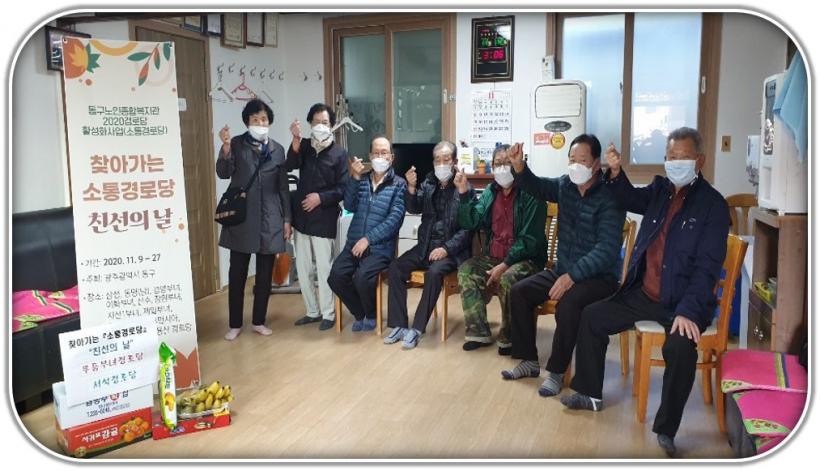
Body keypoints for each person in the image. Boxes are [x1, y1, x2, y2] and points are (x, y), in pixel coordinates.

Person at [562, 127, 729, 457]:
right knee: (592, 316)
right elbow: (627, 197)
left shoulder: (713, 206)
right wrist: (615, 171)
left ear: (700, 160)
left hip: (682, 301)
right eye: (671, 157)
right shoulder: (659, 190)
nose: (675, 162)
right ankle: (589, 393)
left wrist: (689, 311)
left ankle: (666, 429)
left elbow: (707, 269)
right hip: (645, 293)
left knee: (680, 348)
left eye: (683, 157)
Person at [501, 136, 625, 397]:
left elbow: (606, 250)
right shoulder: (565, 185)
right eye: (572, 159)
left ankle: (556, 372)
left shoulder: (610, 196)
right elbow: (536, 186)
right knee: (520, 291)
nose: (575, 165)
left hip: (599, 278)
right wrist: (519, 166)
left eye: (582, 160)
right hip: (564, 270)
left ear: (596, 164)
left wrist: (572, 276)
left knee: (569, 304)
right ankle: (528, 360)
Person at [455, 145, 547, 354]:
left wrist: (505, 265)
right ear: (492, 166)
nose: (503, 168)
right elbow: (472, 221)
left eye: (507, 163)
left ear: (517, 163)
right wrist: (463, 192)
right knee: (467, 271)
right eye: (498, 164)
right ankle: (478, 332)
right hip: (494, 255)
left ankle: (510, 337)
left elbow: (530, 239)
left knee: (508, 278)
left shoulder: (532, 191)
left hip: (526, 259)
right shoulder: (491, 191)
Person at [384, 141, 474, 349]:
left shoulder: (464, 188)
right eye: (437, 160)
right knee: (395, 267)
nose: (441, 164)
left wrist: (446, 249)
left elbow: (468, 230)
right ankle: (399, 324)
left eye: (446, 159)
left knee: (433, 274)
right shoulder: (429, 182)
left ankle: (417, 328)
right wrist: (411, 187)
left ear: (455, 162)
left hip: (451, 251)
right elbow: (414, 207)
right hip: (425, 246)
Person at [216, 99, 292, 341]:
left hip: (270, 217)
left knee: (264, 275)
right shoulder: (236, 144)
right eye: (255, 119)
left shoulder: (278, 149)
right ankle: (234, 324)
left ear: (269, 122)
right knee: (237, 274)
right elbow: (223, 173)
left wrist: (287, 219)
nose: (260, 123)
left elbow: (283, 188)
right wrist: (225, 148)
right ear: (247, 122)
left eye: (264, 119)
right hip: (242, 217)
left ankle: (259, 321)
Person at [327, 136, 407, 332]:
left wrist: (368, 239)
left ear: (392, 157)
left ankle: (371, 314)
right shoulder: (362, 180)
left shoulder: (399, 184)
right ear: (370, 156)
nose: (380, 156)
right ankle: (360, 312)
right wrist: (354, 178)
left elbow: (394, 220)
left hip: (380, 248)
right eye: (376, 153)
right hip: (354, 244)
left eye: (384, 153)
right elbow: (349, 205)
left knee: (362, 277)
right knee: (335, 276)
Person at [287, 104, 349, 331]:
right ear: (310, 124)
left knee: (324, 268)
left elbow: (343, 188)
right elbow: (289, 165)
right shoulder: (303, 146)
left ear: (331, 125)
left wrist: (320, 198)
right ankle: (312, 311)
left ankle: (328, 313)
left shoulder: (339, 153)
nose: (320, 126)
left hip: (324, 217)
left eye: (325, 122)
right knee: (303, 268)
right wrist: (295, 140)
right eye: (316, 122)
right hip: (302, 217)